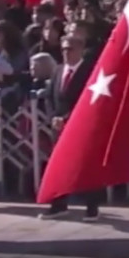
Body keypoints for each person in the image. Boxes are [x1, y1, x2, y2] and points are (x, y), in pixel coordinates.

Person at [40, 35, 103, 221]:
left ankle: (92, 207)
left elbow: (87, 99)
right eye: (64, 49)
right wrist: (54, 117)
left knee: (87, 167)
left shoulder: (89, 71)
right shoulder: (58, 70)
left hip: (80, 126)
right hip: (59, 127)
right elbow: (51, 96)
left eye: (71, 49)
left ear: (81, 50)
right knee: (59, 165)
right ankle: (58, 204)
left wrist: (67, 118)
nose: (66, 53)